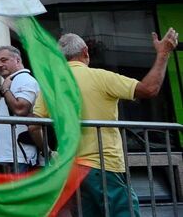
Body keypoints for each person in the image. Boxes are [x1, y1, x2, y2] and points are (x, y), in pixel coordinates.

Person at [32, 30, 178, 217]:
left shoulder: (50, 84)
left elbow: (33, 126)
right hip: (103, 165)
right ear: (85, 52)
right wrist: (163, 54)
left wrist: (50, 154)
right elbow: (149, 89)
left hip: (70, 168)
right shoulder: (101, 77)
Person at [0, 44, 39, 173]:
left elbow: (20, 110)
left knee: (22, 192)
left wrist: (5, 90)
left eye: (4, 60)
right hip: (14, 154)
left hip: (21, 154)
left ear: (17, 60)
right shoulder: (14, 80)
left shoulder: (24, 79)